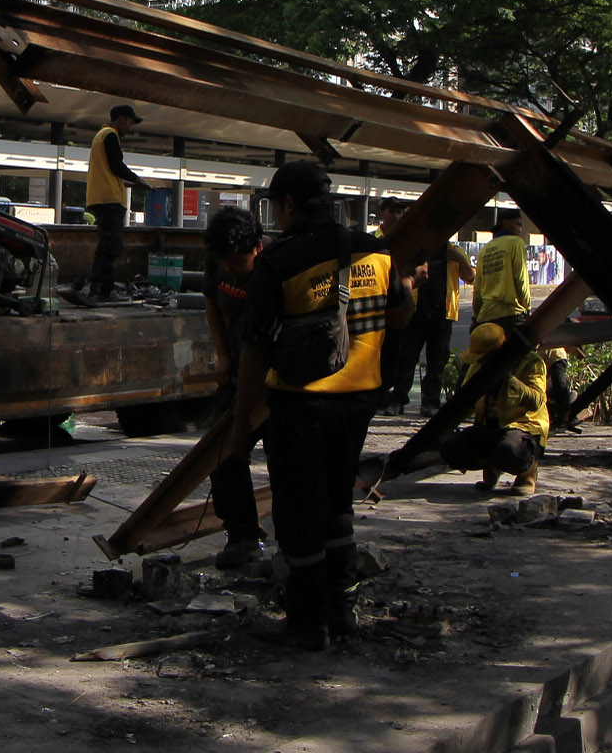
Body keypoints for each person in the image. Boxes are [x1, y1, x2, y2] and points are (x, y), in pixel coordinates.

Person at [230, 160, 412, 650]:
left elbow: (255, 350)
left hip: (300, 407)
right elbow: (401, 315)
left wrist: (242, 419)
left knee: (297, 514)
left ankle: (308, 625)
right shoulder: (376, 250)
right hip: (358, 404)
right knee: (336, 505)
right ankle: (343, 610)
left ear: (289, 205)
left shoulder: (279, 261)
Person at [199, 205, 267, 567]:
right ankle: (241, 535)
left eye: (237, 264)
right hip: (235, 373)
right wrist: (223, 354)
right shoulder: (218, 259)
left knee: (286, 461)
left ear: (258, 247)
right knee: (222, 454)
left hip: (272, 384)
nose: (229, 270)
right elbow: (211, 301)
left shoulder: (274, 272)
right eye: (224, 263)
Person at [374, 199, 472, 418]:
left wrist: (460, 260)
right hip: (417, 312)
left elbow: (471, 276)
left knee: (437, 363)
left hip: (443, 314)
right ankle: (398, 400)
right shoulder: (418, 249)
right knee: (406, 358)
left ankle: (430, 403)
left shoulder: (453, 251)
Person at [437, 323, 555, 494]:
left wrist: (508, 381)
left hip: (523, 428)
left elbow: (537, 400)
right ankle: (492, 467)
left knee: (510, 451)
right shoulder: (477, 366)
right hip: (489, 427)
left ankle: (527, 472)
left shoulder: (530, 362)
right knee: (452, 449)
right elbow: (465, 403)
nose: (482, 361)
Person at [84, 104, 149, 302]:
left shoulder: (100, 136)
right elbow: (117, 165)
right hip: (109, 199)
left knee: (106, 244)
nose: (131, 127)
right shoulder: (110, 135)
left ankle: (96, 287)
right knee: (112, 245)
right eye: (130, 122)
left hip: (101, 198)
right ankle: (105, 290)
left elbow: (110, 171)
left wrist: (129, 183)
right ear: (121, 119)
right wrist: (137, 179)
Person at [472, 209, 532, 337]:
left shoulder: (485, 250)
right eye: (518, 224)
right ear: (505, 223)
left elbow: (477, 290)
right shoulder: (516, 243)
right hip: (511, 315)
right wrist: (528, 308)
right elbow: (521, 279)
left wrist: (476, 315)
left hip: (486, 316)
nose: (520, 229)